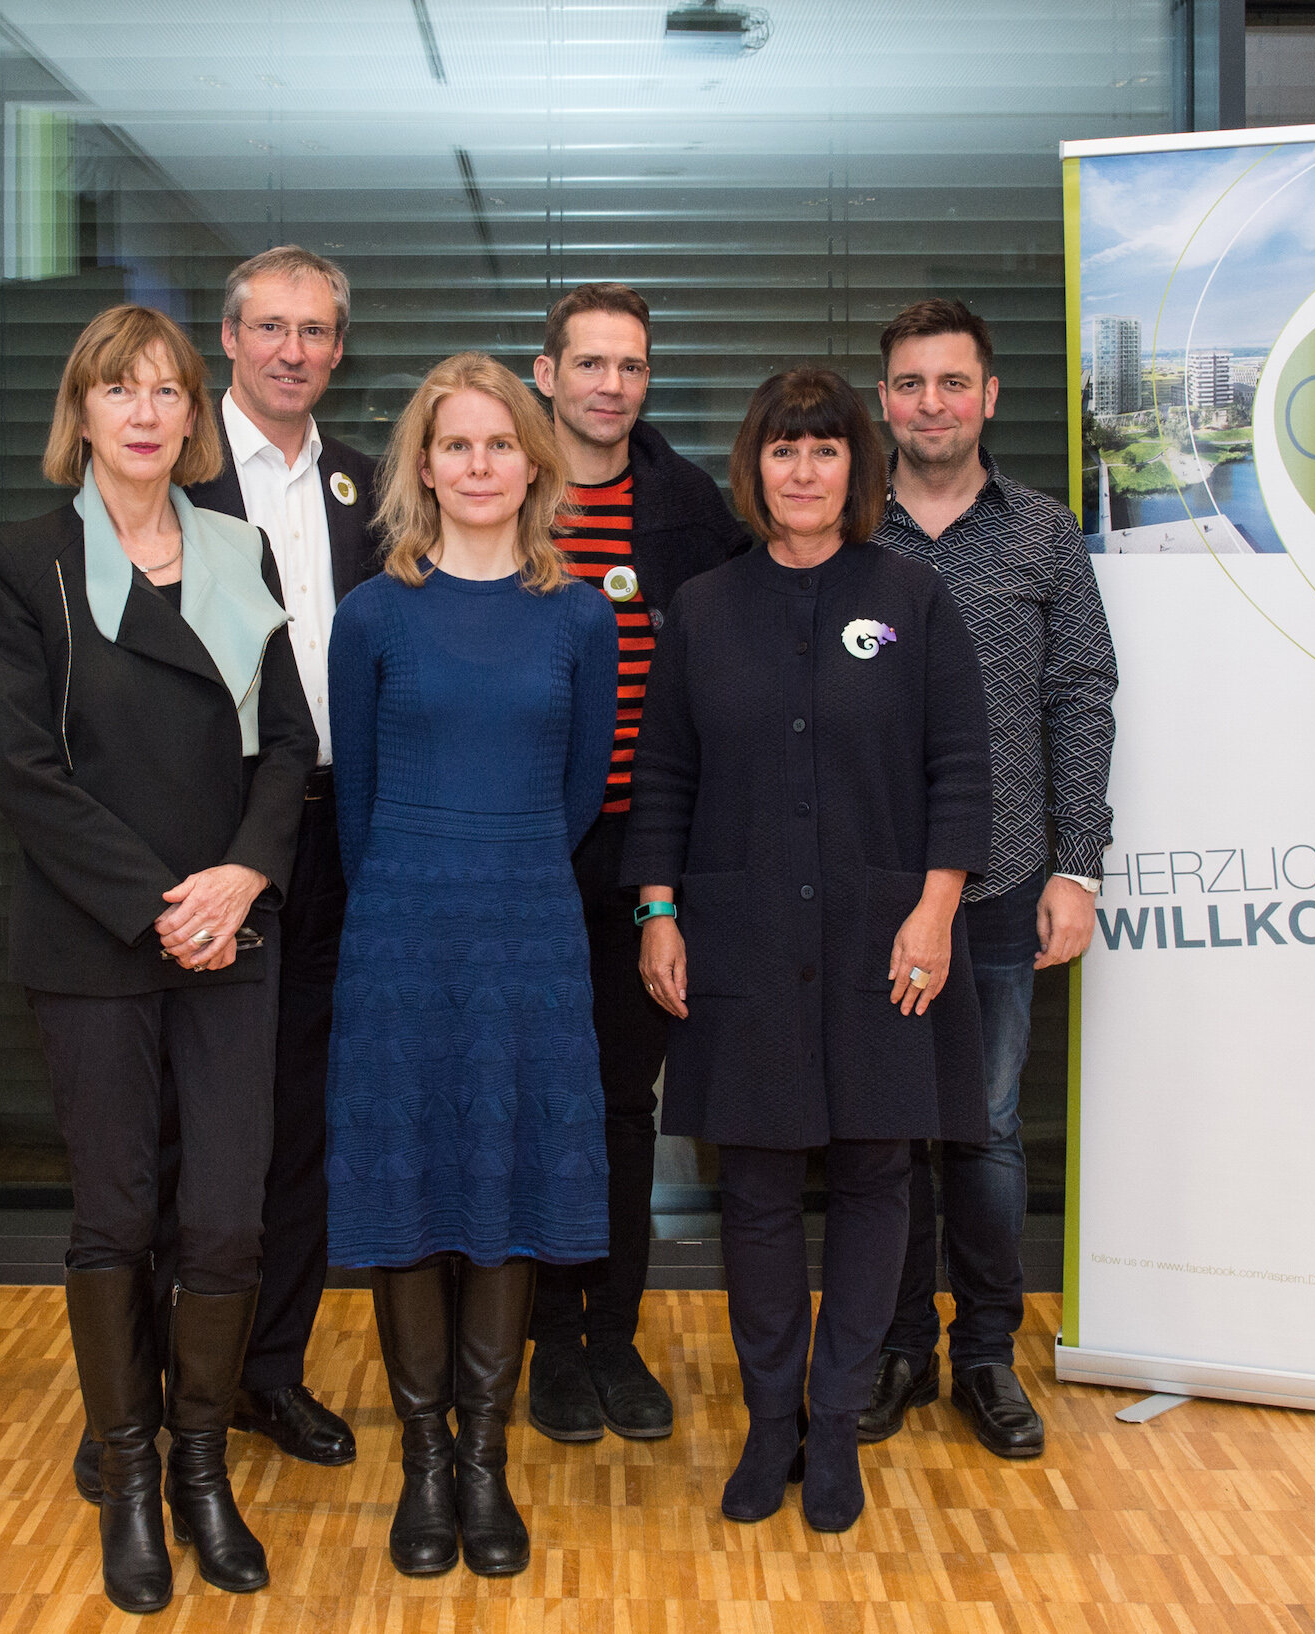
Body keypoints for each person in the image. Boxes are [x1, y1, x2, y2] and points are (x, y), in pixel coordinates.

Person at [0, 303, 315, 1614]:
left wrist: (238, 877)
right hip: (94, 935)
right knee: (118, 1215)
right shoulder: (23, 564)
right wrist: (159, 898)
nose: (146, 410)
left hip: (233, 925)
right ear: (83, 409)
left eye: (168, 389)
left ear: (194, 415)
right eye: (119, 387)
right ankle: (125, 1478)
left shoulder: (240, 552)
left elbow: (286, 744)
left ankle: (197, 1462)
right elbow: (27, 772)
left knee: (225, 1212)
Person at [624, 367, 992, 1532]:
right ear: (755, 467)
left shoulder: (912, 598)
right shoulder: (705, 608)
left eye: (824, 449)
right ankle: (770, 1419)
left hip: (887, 938)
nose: (801, 471)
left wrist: (935, 909)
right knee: (762, 1189)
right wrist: (658, 909)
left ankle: (837, 1423)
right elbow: (664, 777)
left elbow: (960, 769)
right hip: (742, 933)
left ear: (854, 465)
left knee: (881, 1175)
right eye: (783, 450)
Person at [327, 352, 618, 1579]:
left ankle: (487, 1459)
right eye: (456, 445)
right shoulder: (373, 612)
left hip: (529, 936)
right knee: (407, 1192)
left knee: (506, 1193)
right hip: (399, 933)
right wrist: (418, 882)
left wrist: (500, 869)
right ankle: (424, 1461)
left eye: (501, 444)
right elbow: (354, 805)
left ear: (532, 464)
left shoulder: (581, 612)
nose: (480, 464)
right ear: (424, 465)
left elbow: (578, 793)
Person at [863, 298, 1118, 1459]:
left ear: (988, 397)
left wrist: (1077, 861)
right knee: (882, 1127)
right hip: (869, 881)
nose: (930, 404)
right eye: (910, 384)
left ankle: (985, 1359)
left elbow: (1078, 699)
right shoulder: (843, 531)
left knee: (989, 1129)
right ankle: (899, 1345)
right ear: (884, 401)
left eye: (951, 382)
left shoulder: (1043, 535)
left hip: (1007, 879)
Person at [522, 281, 748, 1444]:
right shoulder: (495, 484)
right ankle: (541, 1343)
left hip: (640, 846)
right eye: (592, 363)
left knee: (618, 1102)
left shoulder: (687, 506)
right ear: (547, 371)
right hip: (515, 847)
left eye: (633, 366)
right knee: (530, 1097)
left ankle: (610, 1333)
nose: (613, 385)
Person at [182, 245, 381, 1467]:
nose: (292, 349)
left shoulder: (368, 485)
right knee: (194, 1124)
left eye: (315, 331)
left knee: (304, 1114)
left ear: (339, 348)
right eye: (271, 328)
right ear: (230, 337)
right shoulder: (171, 469)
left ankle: (270, 1370)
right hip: (207, 842)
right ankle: (161, 1384)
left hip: (339, 834)